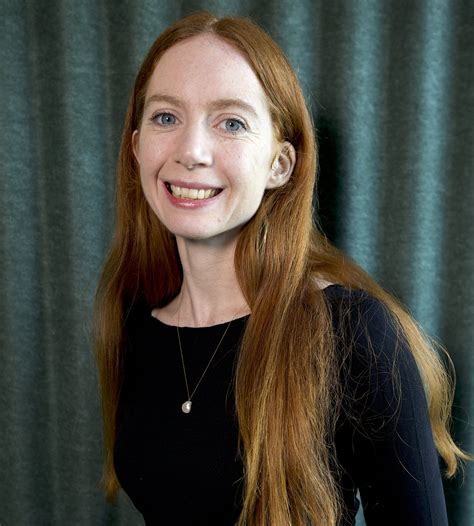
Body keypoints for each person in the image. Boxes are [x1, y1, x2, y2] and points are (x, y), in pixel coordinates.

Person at [94, 11, 469, 526]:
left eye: (231, 122)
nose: (191, 151)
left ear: (280, 164)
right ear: (136, 146)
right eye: (165, 117)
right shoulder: (134, 318)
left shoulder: (354, 332)